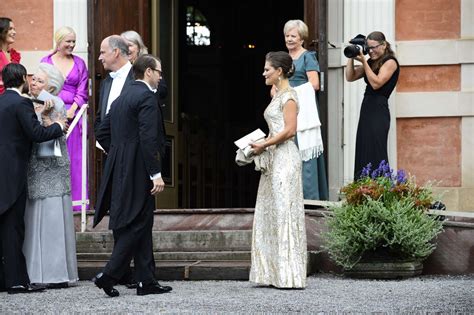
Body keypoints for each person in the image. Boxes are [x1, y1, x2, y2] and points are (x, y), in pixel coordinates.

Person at [92, 54, 170, 297]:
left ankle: (146, 281)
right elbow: (148, 137)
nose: (160, 76)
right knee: (139, 221)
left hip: (120, 165)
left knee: (140, 221)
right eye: (158, 71)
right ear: (148, 71)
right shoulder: (146, 96)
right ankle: (109, 275)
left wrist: (119, 150)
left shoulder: (121, 97)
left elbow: (102, 132)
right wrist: (155, 173)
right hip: (140, 168)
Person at [0, 63, 66, 294]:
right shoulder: (21, 103)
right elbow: (36, 134)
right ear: (23, 81)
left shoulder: (1, 101)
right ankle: (17, 281)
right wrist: (57, 126)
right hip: (14, 172)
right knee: (13, 227)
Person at [249, 51, 307, 289]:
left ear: (279, 71)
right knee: (269, 211)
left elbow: (290, 130)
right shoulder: (276, 94)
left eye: (267, 69)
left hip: (285, 159)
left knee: (284, 211)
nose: (264, 73)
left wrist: (265, 143)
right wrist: (259, 146)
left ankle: (288, 275)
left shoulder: (289, 97)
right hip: (272, 158)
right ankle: (270, 273)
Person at [23, 63, 78, 288]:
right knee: (36, 213)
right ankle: (36, 271)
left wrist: (43, 116)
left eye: (39, 81)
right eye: (33, 79)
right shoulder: (28, 101)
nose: (33, 83)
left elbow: (52, 131)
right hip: (36, 164)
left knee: (53, 214)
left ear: (52, 89)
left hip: (52, 166)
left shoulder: (55, 103)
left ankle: (54, 273)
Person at [41, 26, 89, 211]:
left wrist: (72, 110)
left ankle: (76, 204)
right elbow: (41, 88)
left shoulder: (79, 63)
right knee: (52, 156)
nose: (71, 45)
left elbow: (83, 90)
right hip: (51, 113)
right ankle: (53, 202)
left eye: (73, 41)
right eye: (68, 41)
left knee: (74, 159)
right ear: (58, 41)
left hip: (73, 116)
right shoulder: (45, 61)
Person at [283, 19, 328, 201]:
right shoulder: (283, 59)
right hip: (285, 109)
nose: (289, 39)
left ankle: (308, 198)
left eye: (293, 36)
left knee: (303, 150)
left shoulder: (308, 57)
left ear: (302, 39)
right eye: (287, 36)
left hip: (303, 110)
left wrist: (290, 92)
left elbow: (315, 84)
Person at [345, 31, 399, 179]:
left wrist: (363, 61)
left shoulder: (390, 62)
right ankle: (362, 189)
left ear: (384, 45)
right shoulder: (370, 62)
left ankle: (380, 188)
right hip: (367, 108)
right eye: (368, 48)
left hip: (379, 109)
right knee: (364, 147)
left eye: (374, 47)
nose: (371, 51)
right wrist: (351, 56)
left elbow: (376, 83)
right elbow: (350, 77)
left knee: (376, 149)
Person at [0, 17, 21, 94]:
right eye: (10, 29)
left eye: (14, 29)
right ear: (2, 30)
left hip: (11, 97)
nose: (14, 32)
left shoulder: (14, 55)